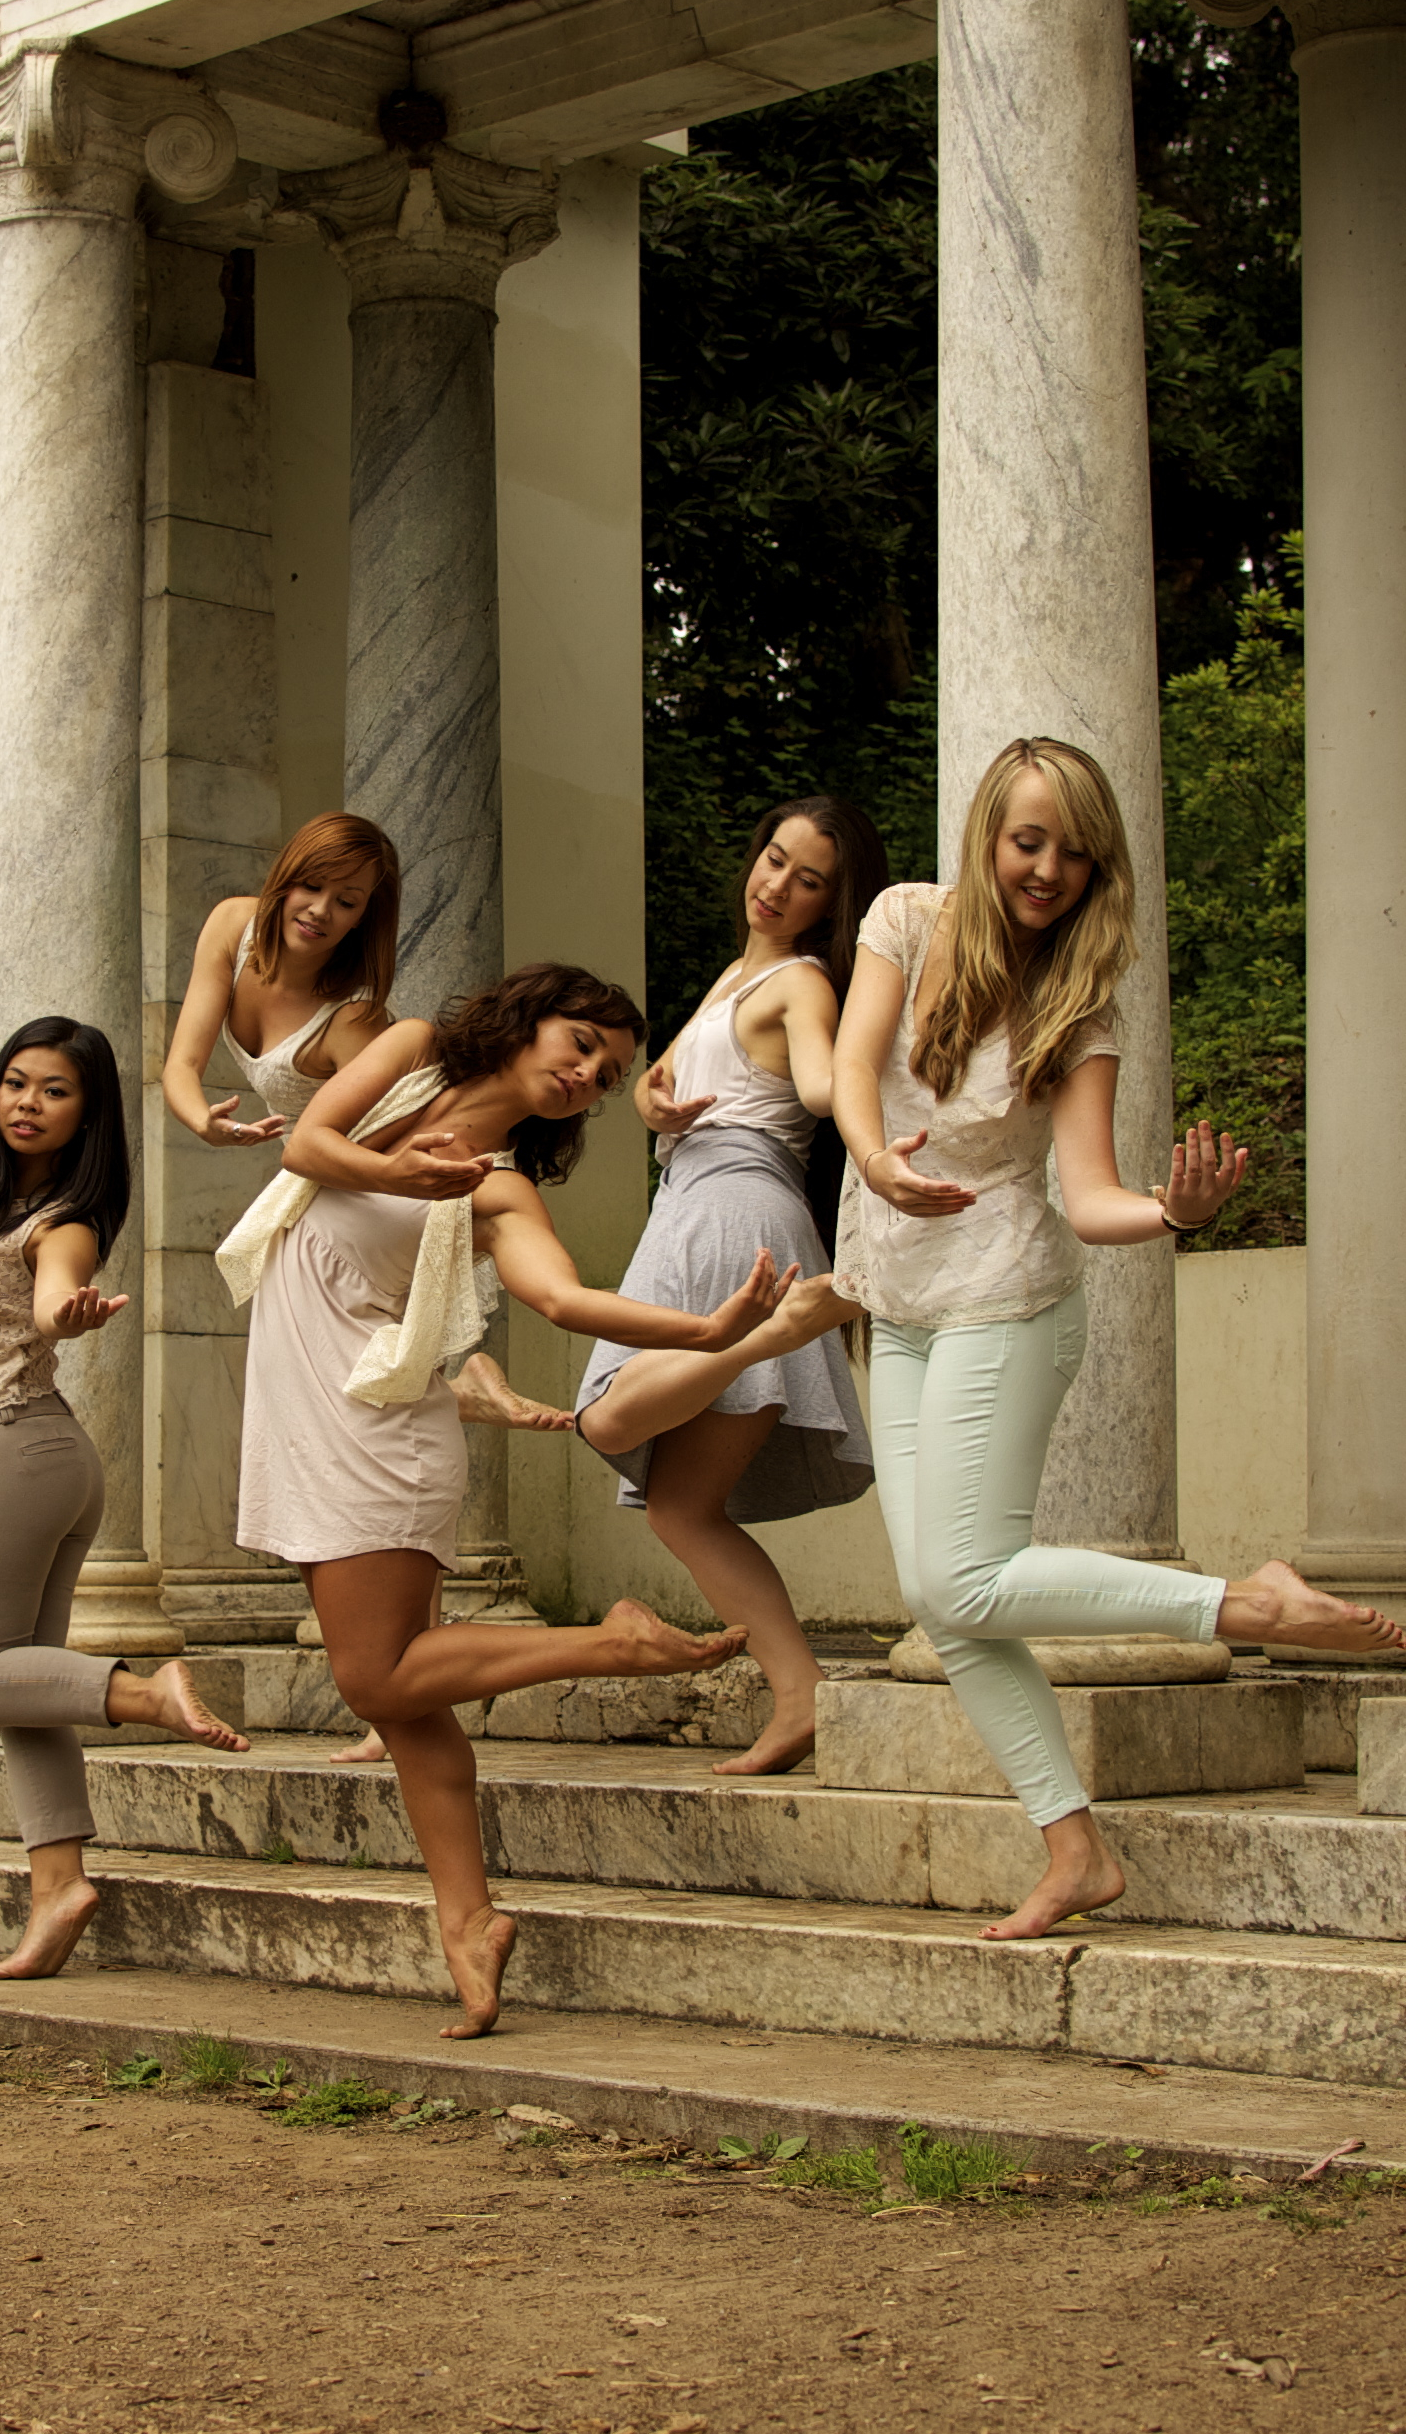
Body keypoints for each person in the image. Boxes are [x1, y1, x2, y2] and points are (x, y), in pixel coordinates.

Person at [829, 735, 1406, 1942]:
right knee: (947, 1605)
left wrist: (1171, 1212)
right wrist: (875, 1160)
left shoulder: (1077, 1007)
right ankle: (1074, 1848)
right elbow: (846, 1069)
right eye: (1027, 840)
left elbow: (1088, 1199)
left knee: (963, 1576)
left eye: (1075, 852)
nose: (1047, 868)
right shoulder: (903, 920)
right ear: (988, 834)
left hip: (1007, 1294)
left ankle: (1248, 1605)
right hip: (899, 1298)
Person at [220, 962, 834, 2039]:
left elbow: (563, 1298)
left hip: (375, 1428)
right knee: (407, 1707)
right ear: (526, 1016)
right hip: (303, 1412)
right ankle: (470, 1921)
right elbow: (305, 1145)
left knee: (375, 1675)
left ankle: (613, 1644)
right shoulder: (410, 1052)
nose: (587, 1073)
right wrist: (403, 1172)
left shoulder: (498, 1188)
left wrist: (709, 1330)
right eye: (581, 1042)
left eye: (607, 1072)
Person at [164, 811, 569, 1768]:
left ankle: (463, 1374)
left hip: (369, 1182)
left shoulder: (353, 1022)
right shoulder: (230, 925)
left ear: (367, 919)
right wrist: (204, 1123)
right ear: (284, 876)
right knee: (338, 1418)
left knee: (375, 1402)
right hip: (319, 1195)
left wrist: (411, 1167)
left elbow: (403, 1117)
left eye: (348, 903)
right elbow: (180, 1063)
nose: (321, 912)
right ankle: (464, 1380)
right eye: (312, 888)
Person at [0, 1016, 248, 1983]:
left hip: (5, 1451)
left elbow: (51, 1296)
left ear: (88, 1111)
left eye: (55, 1091)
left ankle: (147, 1693)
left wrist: (65, 1315)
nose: (28, 1104)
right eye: (16, 1082)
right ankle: (59, 1888)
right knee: (26, 1694)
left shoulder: (68, 1217)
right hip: (29, 1457)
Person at [574, 798, 888, 1775]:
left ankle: (800, 1694)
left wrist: (880, 1118)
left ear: (831, 904)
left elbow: (819, 1086)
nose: (776, 884)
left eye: (807, 879)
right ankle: (800, 1694)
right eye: (772, 858)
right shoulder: (736, 974)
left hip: (733, 1216)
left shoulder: (800, 983)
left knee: (620, 1430)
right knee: (679, 1504)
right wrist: (650, 1101)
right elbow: (665, 1085)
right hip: (695, 1209)